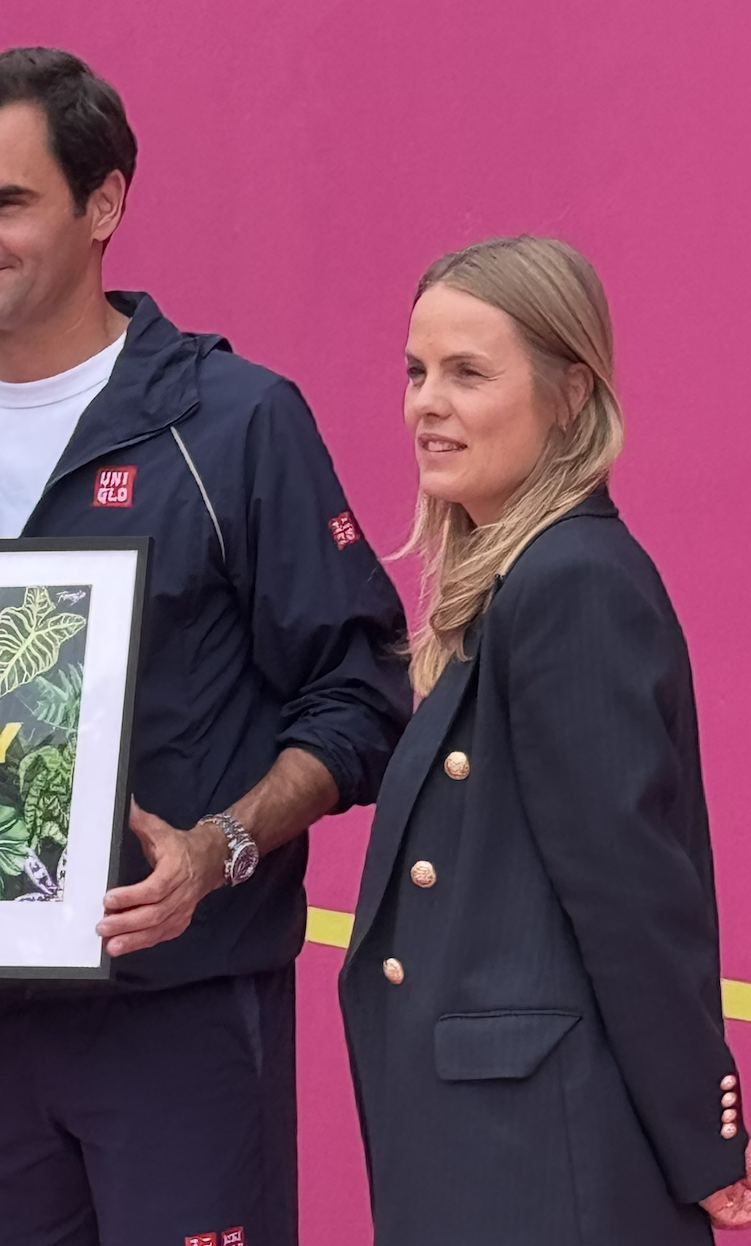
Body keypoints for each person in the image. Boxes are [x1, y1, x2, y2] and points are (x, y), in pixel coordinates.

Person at [0, 48, 411, 1244]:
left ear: (103, 205)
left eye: (5, 202)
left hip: (182, 1012)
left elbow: (357, 693)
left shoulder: (236, 420)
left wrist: (222, 847)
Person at [340, 235, 751, 1242]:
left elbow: (629, 889)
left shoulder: (571, 583)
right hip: (494, 1138)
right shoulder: (524, 580)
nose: (424, 403)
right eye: (415, 371)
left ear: (569, 394)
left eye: (466, 373)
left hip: (540, 1153)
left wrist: (705, 1132)